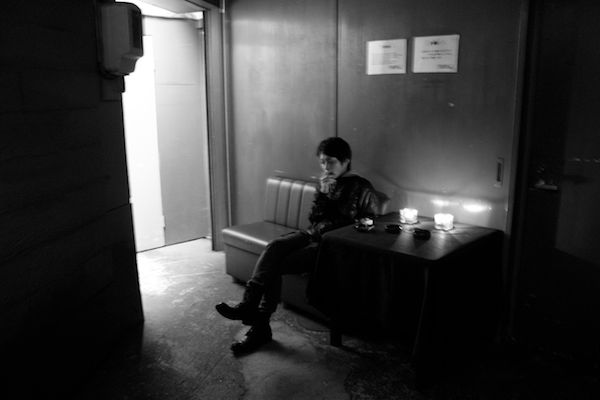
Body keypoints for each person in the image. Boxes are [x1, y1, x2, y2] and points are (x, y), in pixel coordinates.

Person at [215, 137, 381, 355]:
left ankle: (260, 326)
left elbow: (366, 224)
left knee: (275, 265)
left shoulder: (362, 187)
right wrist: (323, 195)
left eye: (331, 161)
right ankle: (249, 304)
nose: (326, 167)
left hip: (331, 246)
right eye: (322, 162)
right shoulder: (325, 183)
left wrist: (333, 201)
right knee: (274, 247)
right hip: (311, 234)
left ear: (346, 161)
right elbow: (314, 219)